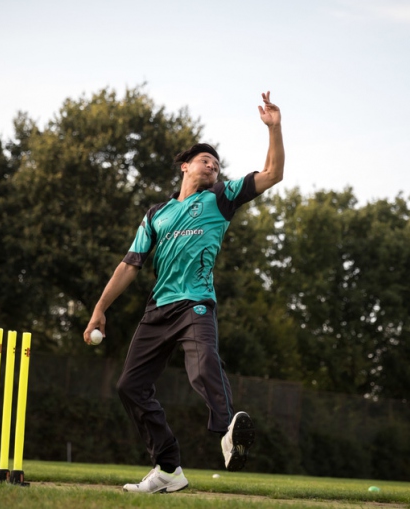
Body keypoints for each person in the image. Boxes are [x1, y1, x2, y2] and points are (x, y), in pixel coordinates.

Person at [85, 92, 284, 493]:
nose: (212, 165)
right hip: (158, 309)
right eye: (204, 159)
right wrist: (99, 309)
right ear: (185, 166)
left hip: (196, 304)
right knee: (130, 387)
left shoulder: (221, 198)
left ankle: (229, 432)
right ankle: (168, 468)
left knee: (204, 364)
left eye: (216, 162)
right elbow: (129, 265)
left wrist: (274, 128)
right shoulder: (156, 214)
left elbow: (273, 173)